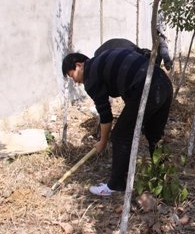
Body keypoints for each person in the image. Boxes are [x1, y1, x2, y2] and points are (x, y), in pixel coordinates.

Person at [62, 49, 173, 196]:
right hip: (163, 81)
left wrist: (103, 141)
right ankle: (164, 179)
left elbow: (106, 115)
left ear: (79, 65)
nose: (75, 82)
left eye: (72, 76)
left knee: (120, 135)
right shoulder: (101, 60)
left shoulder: (90, 75)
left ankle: (115, 185)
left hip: (147, 86)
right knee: (154, 135)